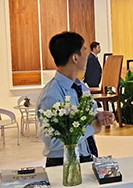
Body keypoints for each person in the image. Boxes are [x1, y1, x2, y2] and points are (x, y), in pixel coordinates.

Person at [37, 32, 115, 167]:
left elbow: (82, 118)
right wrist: (91, 128)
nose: (87, 54)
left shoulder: (81, 87)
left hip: (86, 158)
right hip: (63, 165)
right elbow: (53, 142)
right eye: (84, 49)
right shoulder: (51, 95)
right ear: (75, 57)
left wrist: (97, 116)